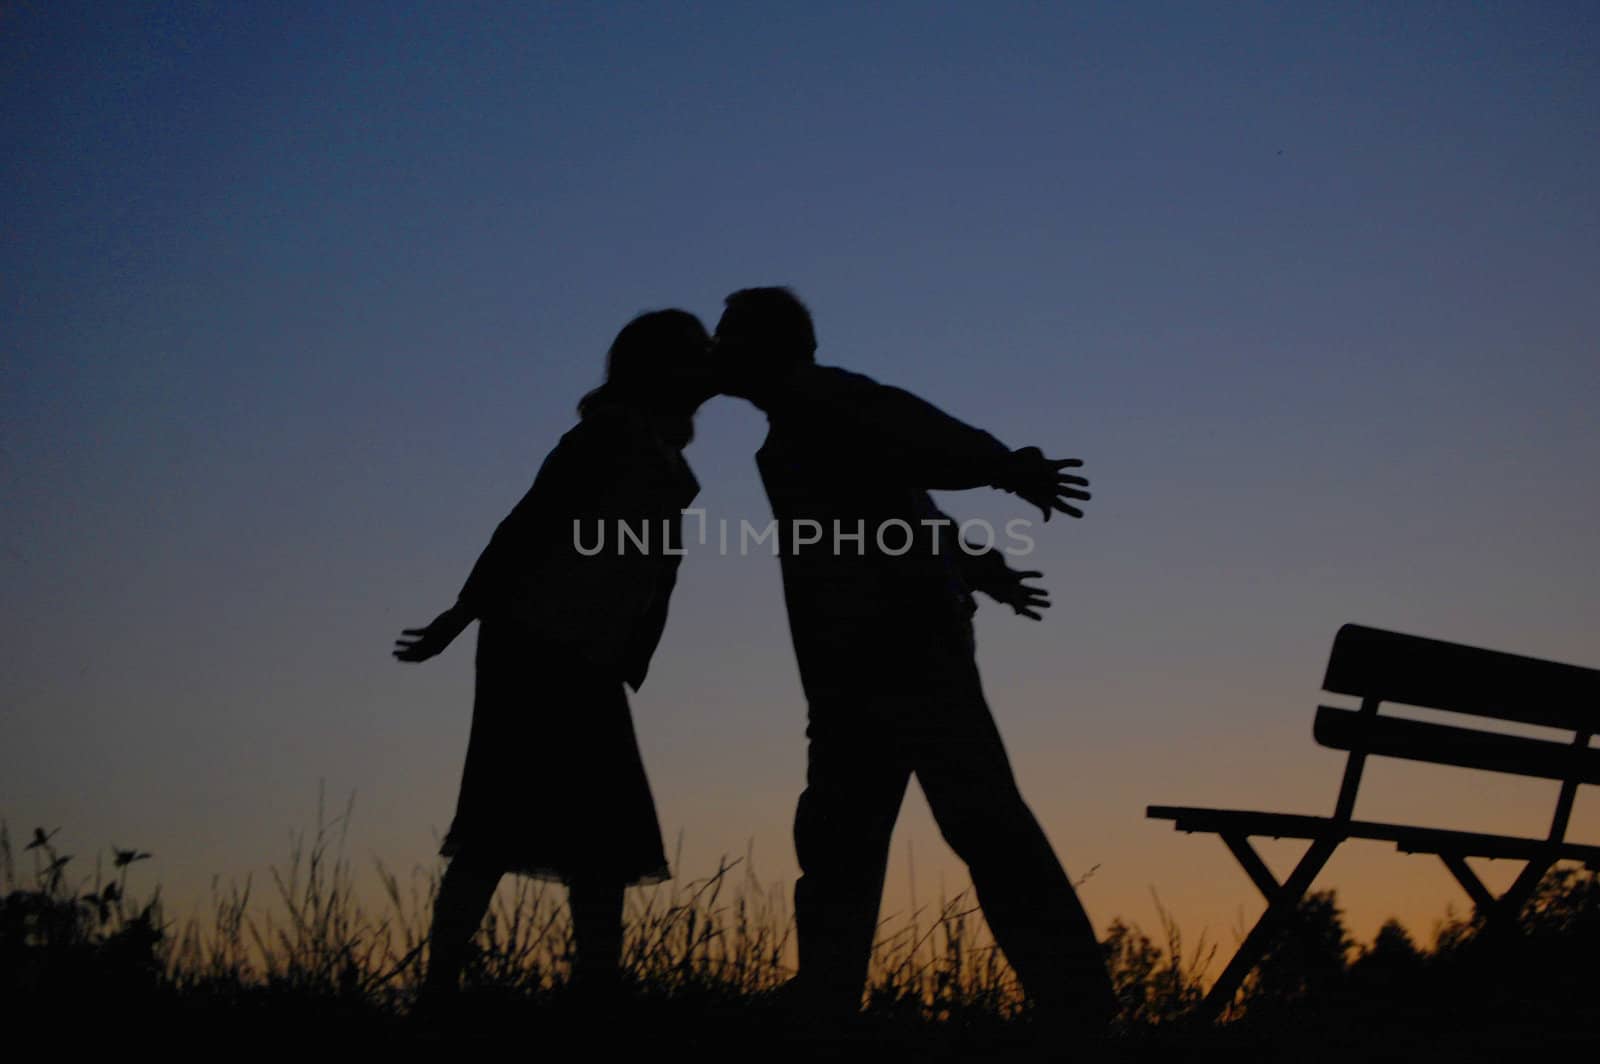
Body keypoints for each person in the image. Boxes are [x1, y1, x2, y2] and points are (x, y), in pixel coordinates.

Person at [711, 287, 1115, 1029]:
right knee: (853, 833)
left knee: (961, 820)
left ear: (763, 349)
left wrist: (1002, 465)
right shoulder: (804, 421)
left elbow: (909, 426)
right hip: (861, 655)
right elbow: (901, 507)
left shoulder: (820, 397)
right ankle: (835, 997)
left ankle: (1075, 1002)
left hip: (894, 646)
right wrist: (984, 568)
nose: (715, 351)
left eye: (727, 339)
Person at [393, 309, 713, 1001]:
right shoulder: (610, 434)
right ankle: (441, 991)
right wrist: (460, 613)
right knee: (512, 818)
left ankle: (588, 992)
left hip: (584, 654)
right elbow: (529, 523)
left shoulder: (656, 448)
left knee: (595, 830)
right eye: (692, 356)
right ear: (658, 368)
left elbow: (653, 566)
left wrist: (630, 647)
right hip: (539, 647)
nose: (706, 367)